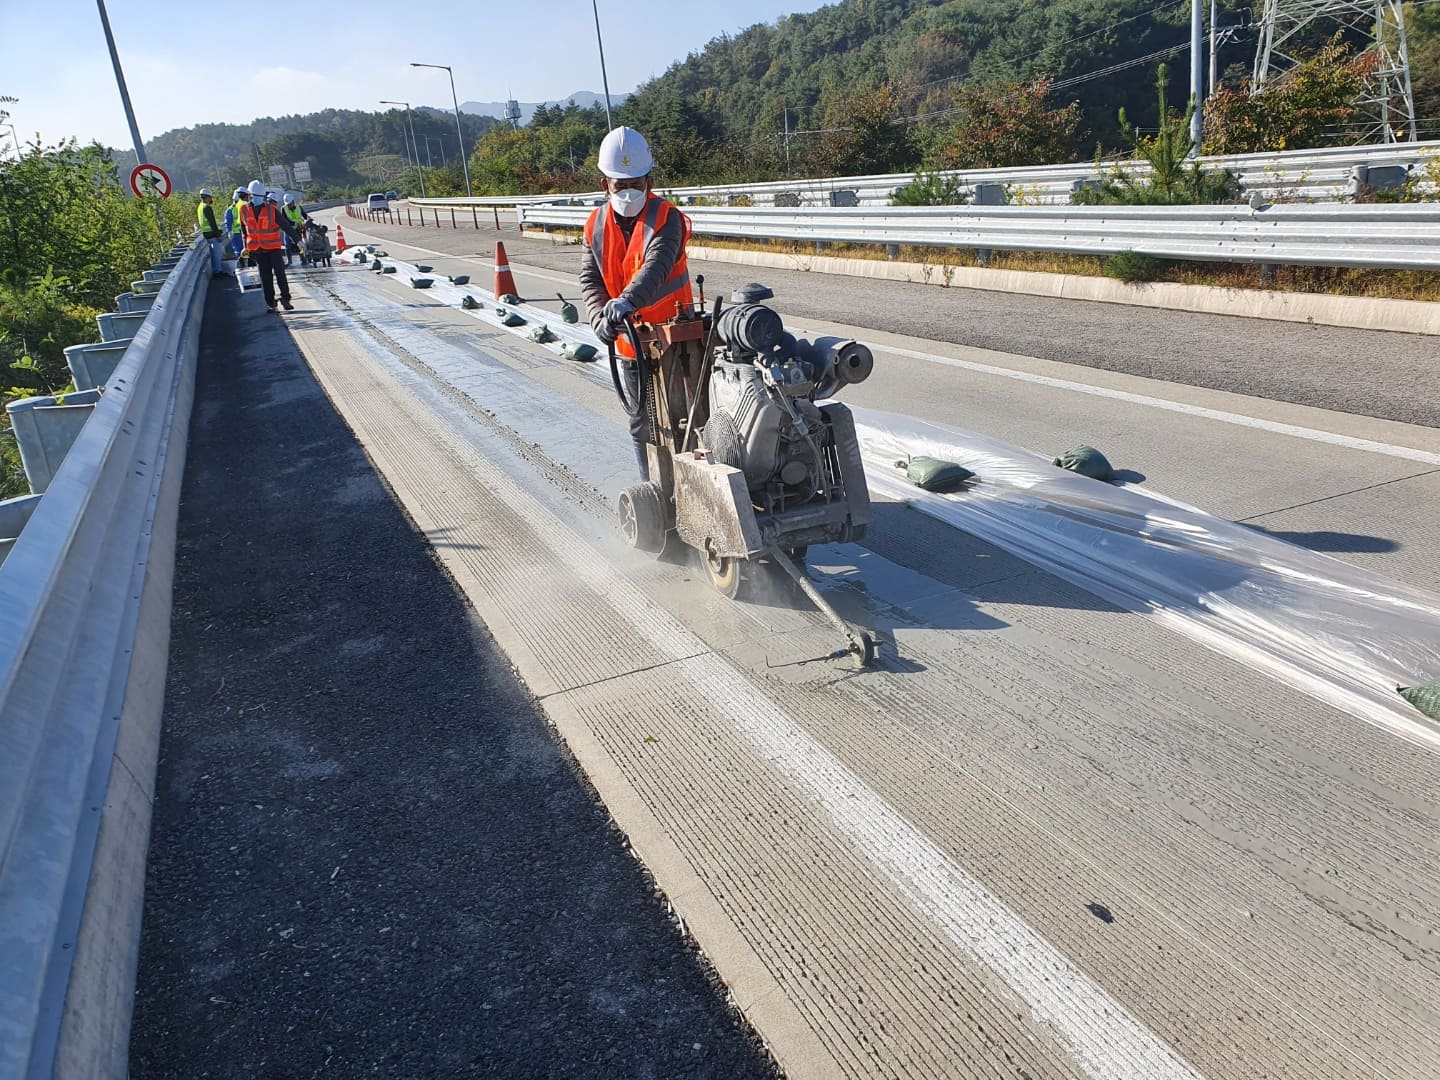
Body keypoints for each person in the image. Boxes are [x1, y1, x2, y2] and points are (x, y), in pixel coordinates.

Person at [579, 126, 692, 481]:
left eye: (636, 184)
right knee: (642, 421)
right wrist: (599, 317)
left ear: (649, 180)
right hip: (629, 346)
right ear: (605, 185)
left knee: (686, 419)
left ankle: (692, 490)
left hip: (677, 340)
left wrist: (626, 302)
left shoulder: (666, 218)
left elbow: (656, 267)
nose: (629, 192)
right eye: (620, 185)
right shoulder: (595, 225)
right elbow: (591, 279)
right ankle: (654, 490)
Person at [240, 179, 299, 312]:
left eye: (260, 197)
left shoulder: (271, 210)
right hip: (257, 251)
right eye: (255, 196)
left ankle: (285, 299)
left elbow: (286, 226)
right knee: (265, 278)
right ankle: (271, 303)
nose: (257, 199)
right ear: (250, 195)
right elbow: (244, 230)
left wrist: (297, 240)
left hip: (273, 249)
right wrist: (245, 247)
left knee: (280, 274)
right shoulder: (243, 210)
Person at [196, 188, 226, 277]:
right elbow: (212, 222)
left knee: (214, 254)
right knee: (217, 254)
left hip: (206, 234)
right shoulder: (206, 207)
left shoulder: (200, 206)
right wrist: (218, 235)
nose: (211, 199)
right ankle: (218, 271)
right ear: (207, 197)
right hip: (212, 234)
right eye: (210, 197)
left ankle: (217, 270)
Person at [281, 194, 307, 266]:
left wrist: (308, 219)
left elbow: (304, 215)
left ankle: (303, 259)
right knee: (287, 245)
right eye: (288, 204)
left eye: (290, 204)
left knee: (299, 244)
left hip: (297, 228)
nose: (289, 206)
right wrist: (291, 223)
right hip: (288, 229)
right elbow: (284, 219)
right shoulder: (284, 208)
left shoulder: (299, 207)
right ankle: (289, 261)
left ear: (293, 202)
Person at [223, 187, 248, 259]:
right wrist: (229, 231)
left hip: (239, 233)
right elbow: (228, 221)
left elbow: (227, 221)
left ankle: (244, 263)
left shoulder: (231, 209)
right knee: (241, 250)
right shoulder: (232, 209)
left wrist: (229, 231)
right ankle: (243, 263)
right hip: (238, 233)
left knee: (241, 250)